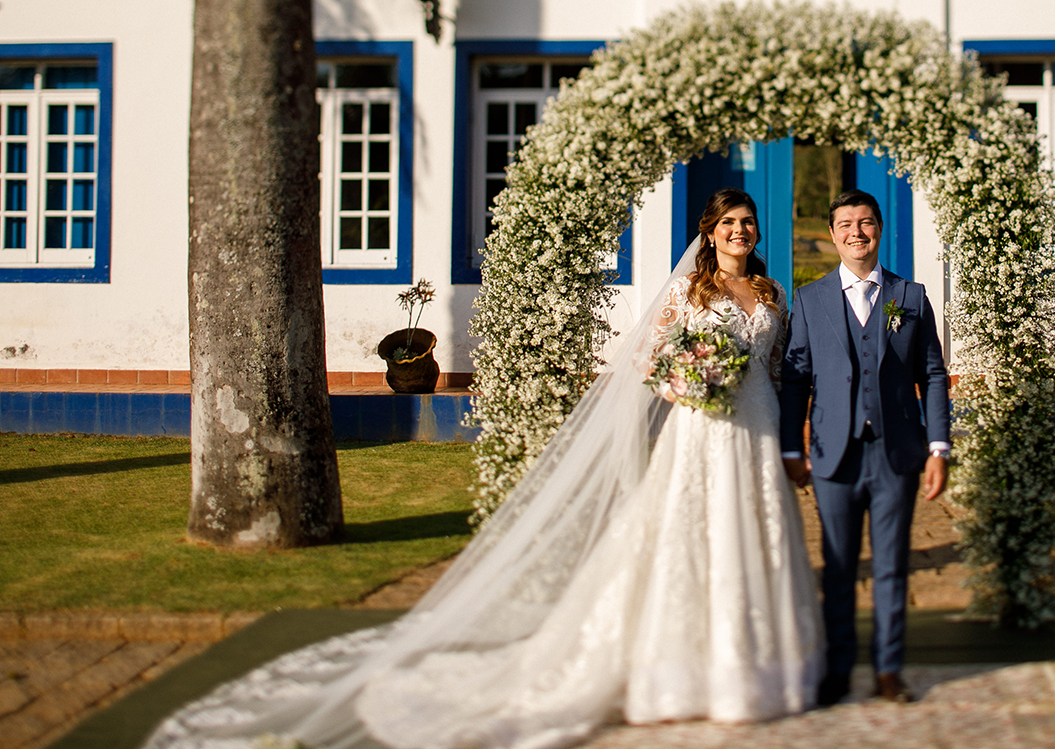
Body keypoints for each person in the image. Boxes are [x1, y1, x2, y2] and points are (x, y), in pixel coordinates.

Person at [144, 188, 822, 749]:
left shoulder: (769, 293)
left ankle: (754, 672)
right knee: (688, 542)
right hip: (701, 432)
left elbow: (777, 368)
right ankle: (675, 676)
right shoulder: (687, 294)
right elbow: (646, 365)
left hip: (756, 431)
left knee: (753, 538)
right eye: (728, 223)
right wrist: (686, 384)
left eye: (747, 223)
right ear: (708, 234)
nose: (740, 231)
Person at [779, 188, 950, 706]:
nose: (857, 232)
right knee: (836, 567)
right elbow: (795, 380)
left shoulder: (912, 296)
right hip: (834, 454)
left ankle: (888, 671)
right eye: (846, 224)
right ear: (831, 235)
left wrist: (938, 447)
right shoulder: (809, 300)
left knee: (892, 565)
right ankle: (836, 671)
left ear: (879, 229)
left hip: (897, 453)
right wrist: (792, 448)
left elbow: (933, 375)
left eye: (866, 222)